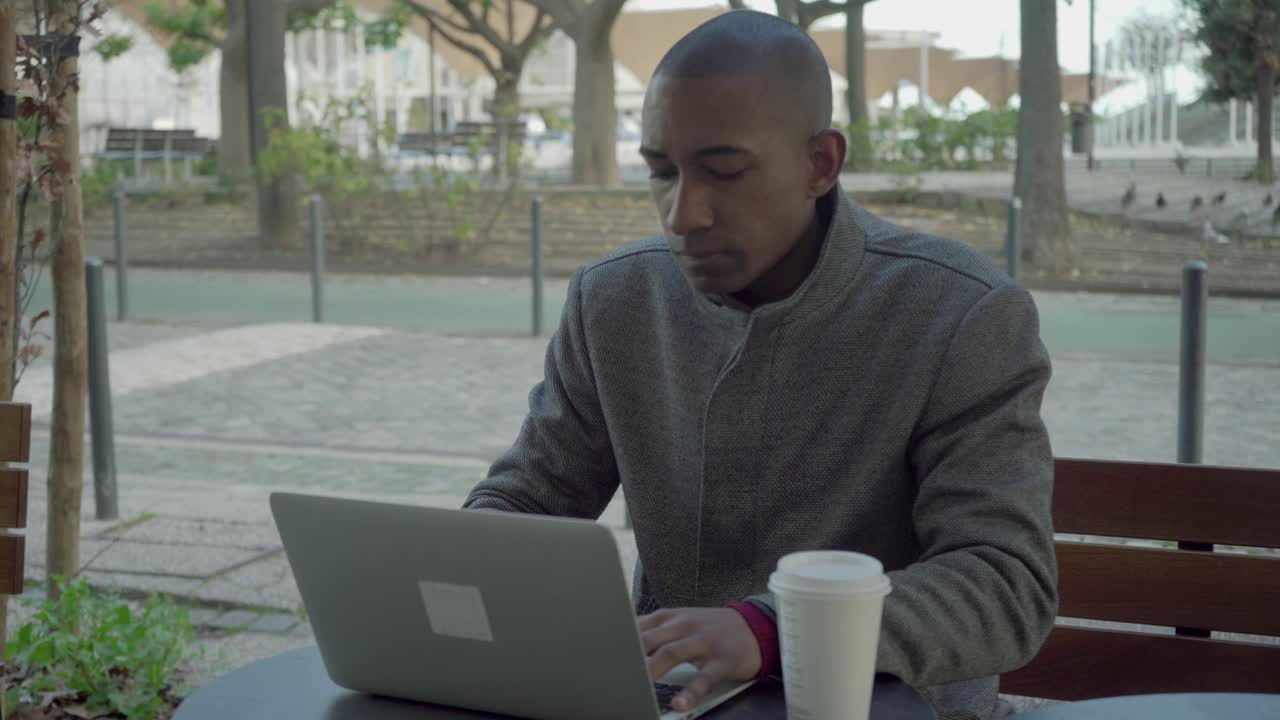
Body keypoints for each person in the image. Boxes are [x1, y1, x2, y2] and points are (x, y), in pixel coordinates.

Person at [463, 10, 1057, 720]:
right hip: (667, 707)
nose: (683, 214)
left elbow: (1004, 586)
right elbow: (531, 497)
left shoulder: (960, 315)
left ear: (821, 164)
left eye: (724, 171)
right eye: (661, 172)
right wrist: (456, 569)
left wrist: (773, 629)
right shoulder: (616, 300)